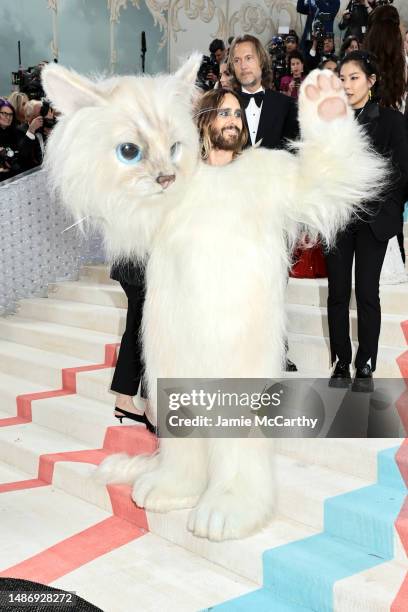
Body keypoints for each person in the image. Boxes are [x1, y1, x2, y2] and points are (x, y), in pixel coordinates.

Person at [326, 51, 408, 390]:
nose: (346, 85)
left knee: (367, 293)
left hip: (373, 222)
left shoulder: (390, 121)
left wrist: (387, 216)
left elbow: (402, 172)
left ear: (371, 81)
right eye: (341, 78)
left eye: (354, 78)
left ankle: (366, 364)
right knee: (337, 294)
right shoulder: (329, 121)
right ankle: (341, 363)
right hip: (338, 219)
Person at [228, 34, 298, 149]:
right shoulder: (224, 105)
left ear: (261, 60)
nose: (243, 66)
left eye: (248, 58)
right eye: (237, 60)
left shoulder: (287, 105)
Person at [18, 99, 56, 171]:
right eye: (40, 113)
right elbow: (22, 157)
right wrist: (31, 131)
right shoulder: (21, 130)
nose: (43, 115)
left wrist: (51, 126)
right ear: (29, 117)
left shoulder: (46, 127)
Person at [0, 99, 22, 181]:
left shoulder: (17, 132)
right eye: (4, 113)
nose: (8, 117)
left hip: (16, 178)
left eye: (11, 114)